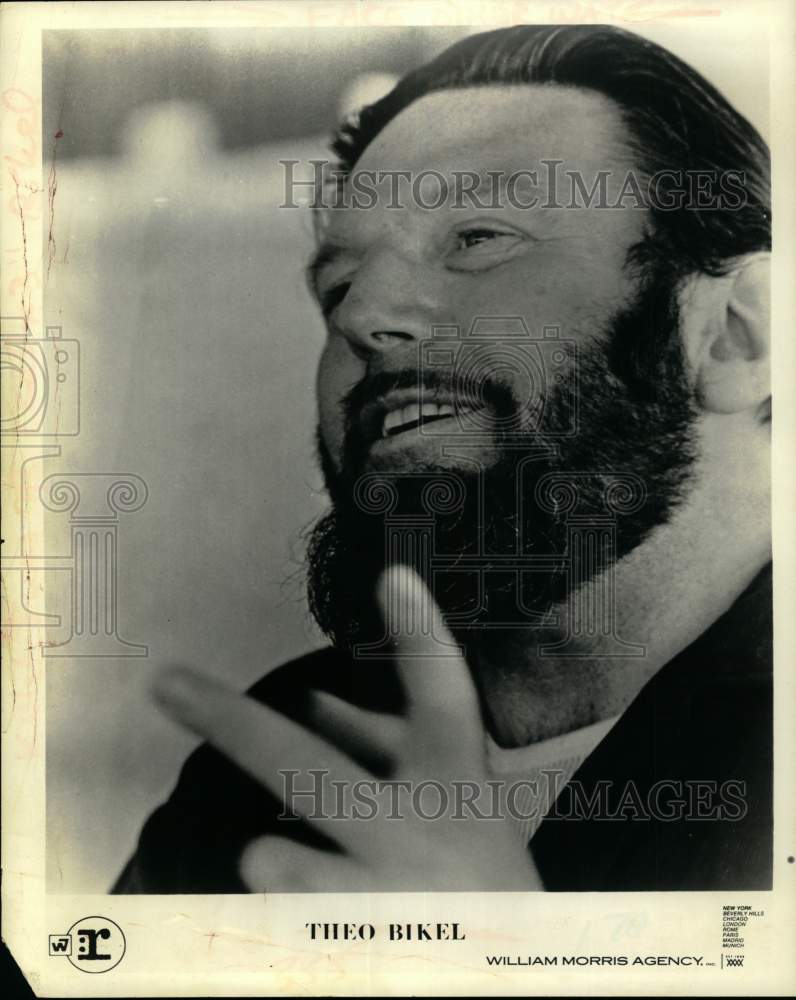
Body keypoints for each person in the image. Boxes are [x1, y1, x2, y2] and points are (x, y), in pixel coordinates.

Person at [114, 23, 772, 893]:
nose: (363, 316)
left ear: (733, 335)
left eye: (478, 237)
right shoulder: (276, 761)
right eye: (338, 286)